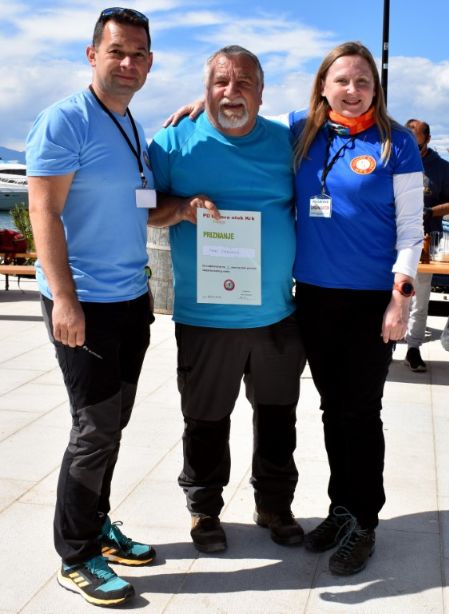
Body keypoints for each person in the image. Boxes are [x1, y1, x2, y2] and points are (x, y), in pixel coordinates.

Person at [148, 45, 306, 554]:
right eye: (220, 82)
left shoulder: (287, 142)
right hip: (206, 317)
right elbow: (140, 205)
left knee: (278, 419)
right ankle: (204, 510)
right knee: (205, 421)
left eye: (243, 83)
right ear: (205, 88)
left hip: (276, 314)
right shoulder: (173, 142)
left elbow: (340, 110)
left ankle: (275, 505)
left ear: (262, 92)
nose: (231, 92)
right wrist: (180, 208)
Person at [26, 7, 156, 607]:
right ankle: (75, 555)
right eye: (116, 51)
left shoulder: (131, 124)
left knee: (112, 423)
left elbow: (139, 203)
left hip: (131, 299)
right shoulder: (65, 119)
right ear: (92, 55)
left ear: (150, 62)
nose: (128, 63)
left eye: (138, 54)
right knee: (94, 427)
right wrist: (65, 300)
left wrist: (182, 209)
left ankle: (97, 525)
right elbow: (44, 211)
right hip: (85, 302)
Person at [290, 41, 423, 575]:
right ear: (323, 86)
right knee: (331, 408)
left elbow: (411, 229)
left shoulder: (396, 142)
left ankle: (364, 521)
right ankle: (340, 508)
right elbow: (242, 117)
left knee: (361, 412)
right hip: (315, 296)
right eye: (341, 80)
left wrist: (400, 298)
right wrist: (199, 105)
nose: (352, 89)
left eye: (363, 81)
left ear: (376, 88)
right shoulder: (301, 130)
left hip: (372, 301)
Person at [403, 119, 449, 372]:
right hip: (392, 242)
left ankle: (413, 348)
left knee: (419, 301)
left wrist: (430, 211)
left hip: (426, 245)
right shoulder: (395, 160)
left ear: (427, 140)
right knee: (388, 296)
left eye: (416, 139)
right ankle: (384, 346)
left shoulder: (441, 168)